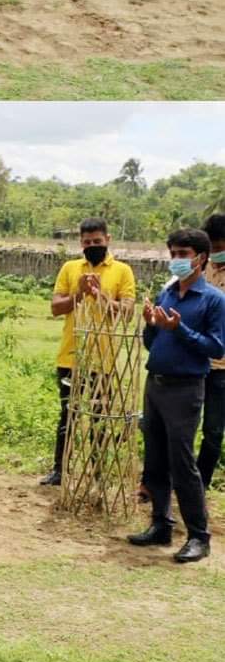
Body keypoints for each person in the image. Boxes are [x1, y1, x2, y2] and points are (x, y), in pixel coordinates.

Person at [129, 228, 225, 563]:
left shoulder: (214, 299)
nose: (177, 260)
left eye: (183, 254)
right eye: (173, 253)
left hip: (186, 388)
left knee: (182, 463)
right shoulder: (166, 293)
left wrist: (178, 329)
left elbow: (216, 347)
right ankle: (161, 524)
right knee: (154, 459)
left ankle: (199, 536)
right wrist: (151, 325)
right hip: (155, 384)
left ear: (200, 258)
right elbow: (152, 344)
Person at [39, 217, 136, 486]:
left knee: (98, 419)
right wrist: (80, 293)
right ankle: (60, 470)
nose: (92, 245)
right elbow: (56, 307)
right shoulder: (71, 268)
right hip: (70, 355)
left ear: (108, 239)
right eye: (87, 242)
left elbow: (127, 312)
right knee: (67, 415)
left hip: (102, 359)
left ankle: (97, 473)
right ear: (80, 243)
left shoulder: (122, 271)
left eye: (97, 241)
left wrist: (101, 296)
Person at [196, 214, 225, 491]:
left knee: (213, 432)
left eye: (220, 246)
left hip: (222, 369)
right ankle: (172, 481)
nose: (217, 252)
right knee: (180, 427)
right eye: (213, 247)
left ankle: (200, 485)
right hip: (194, 361)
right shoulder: (200, 270)